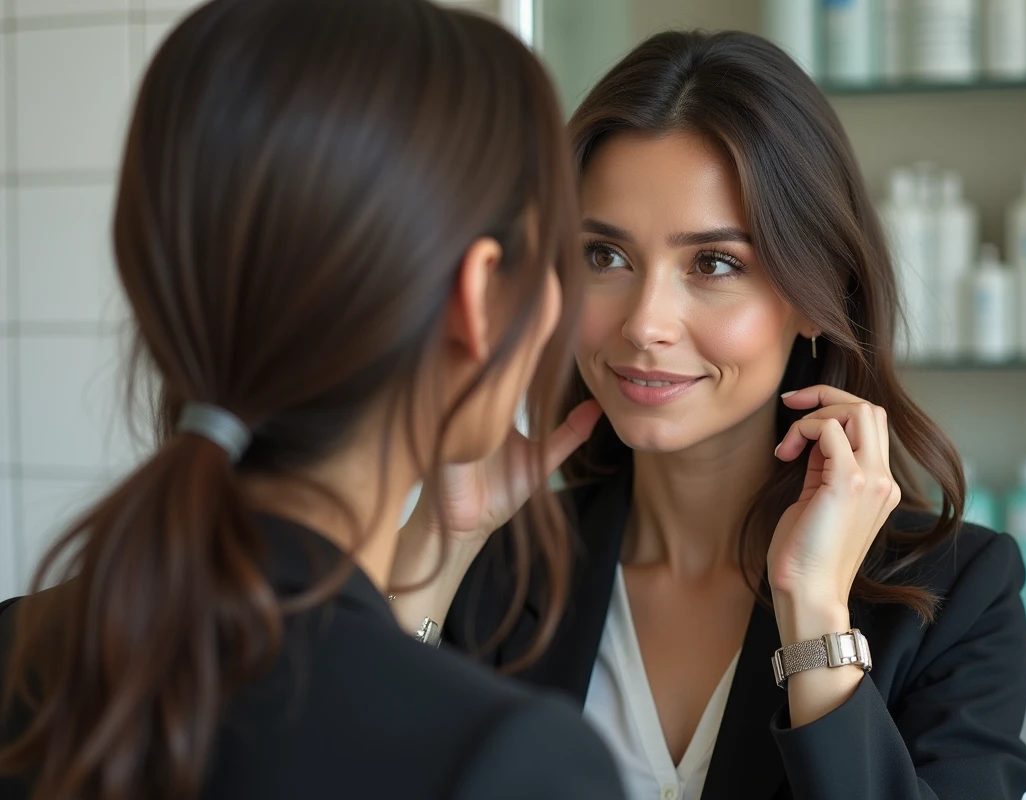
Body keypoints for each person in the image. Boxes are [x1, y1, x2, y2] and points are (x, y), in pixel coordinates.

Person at [0, 1, 625, 798]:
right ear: (476, 297)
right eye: (581, 255)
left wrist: (443, 540)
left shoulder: (25, 651)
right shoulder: (514, 762)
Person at [420, 30, 1026, 800]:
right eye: (603, 257)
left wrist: (814, 616)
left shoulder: (955, 597)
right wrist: (441, 555)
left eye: (713, 264)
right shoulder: (500, 567)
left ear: (818, 296)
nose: (646, 323)